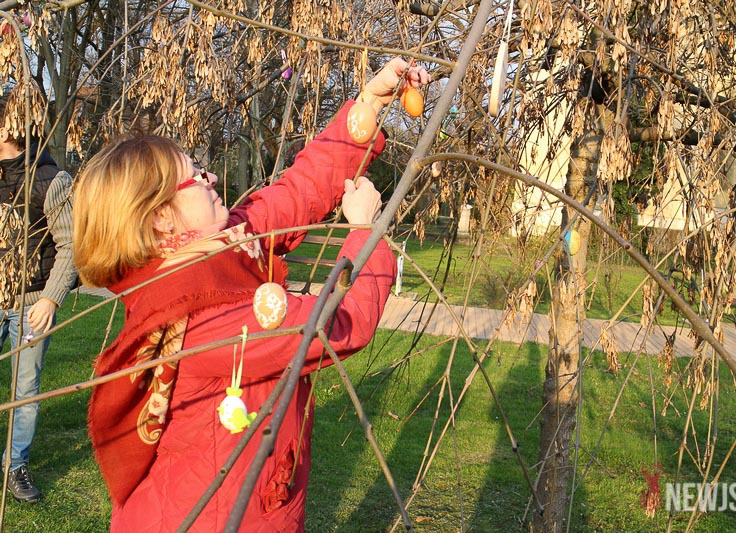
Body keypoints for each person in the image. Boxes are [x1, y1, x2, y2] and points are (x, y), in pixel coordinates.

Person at [73, 57, 431, 531]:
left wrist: (370, 101)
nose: (211, 179)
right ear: (161, 217)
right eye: (195, 176)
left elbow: (297, 192)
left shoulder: (217, 252)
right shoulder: (199, 315)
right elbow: (337, 326)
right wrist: (365, 231)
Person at [0, 86, 78, 503]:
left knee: (25, 391)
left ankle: (15, 466)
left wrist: (50, 298)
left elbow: (71, 244)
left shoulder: (50, 179)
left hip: (30, 306)